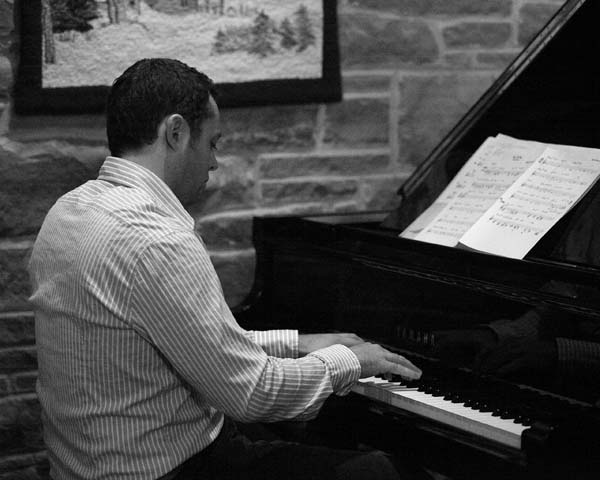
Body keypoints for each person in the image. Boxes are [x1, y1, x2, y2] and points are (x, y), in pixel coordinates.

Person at [28, 58, 423, 480]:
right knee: (386, 472)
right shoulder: (159, 241)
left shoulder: (69, 211)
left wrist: (297, 343)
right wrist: (349, 360)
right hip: (172, 471)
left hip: (85, 466)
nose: (214, 162)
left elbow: (194, 343)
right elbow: (252, 393)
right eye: (212, 143)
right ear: (176, 133)